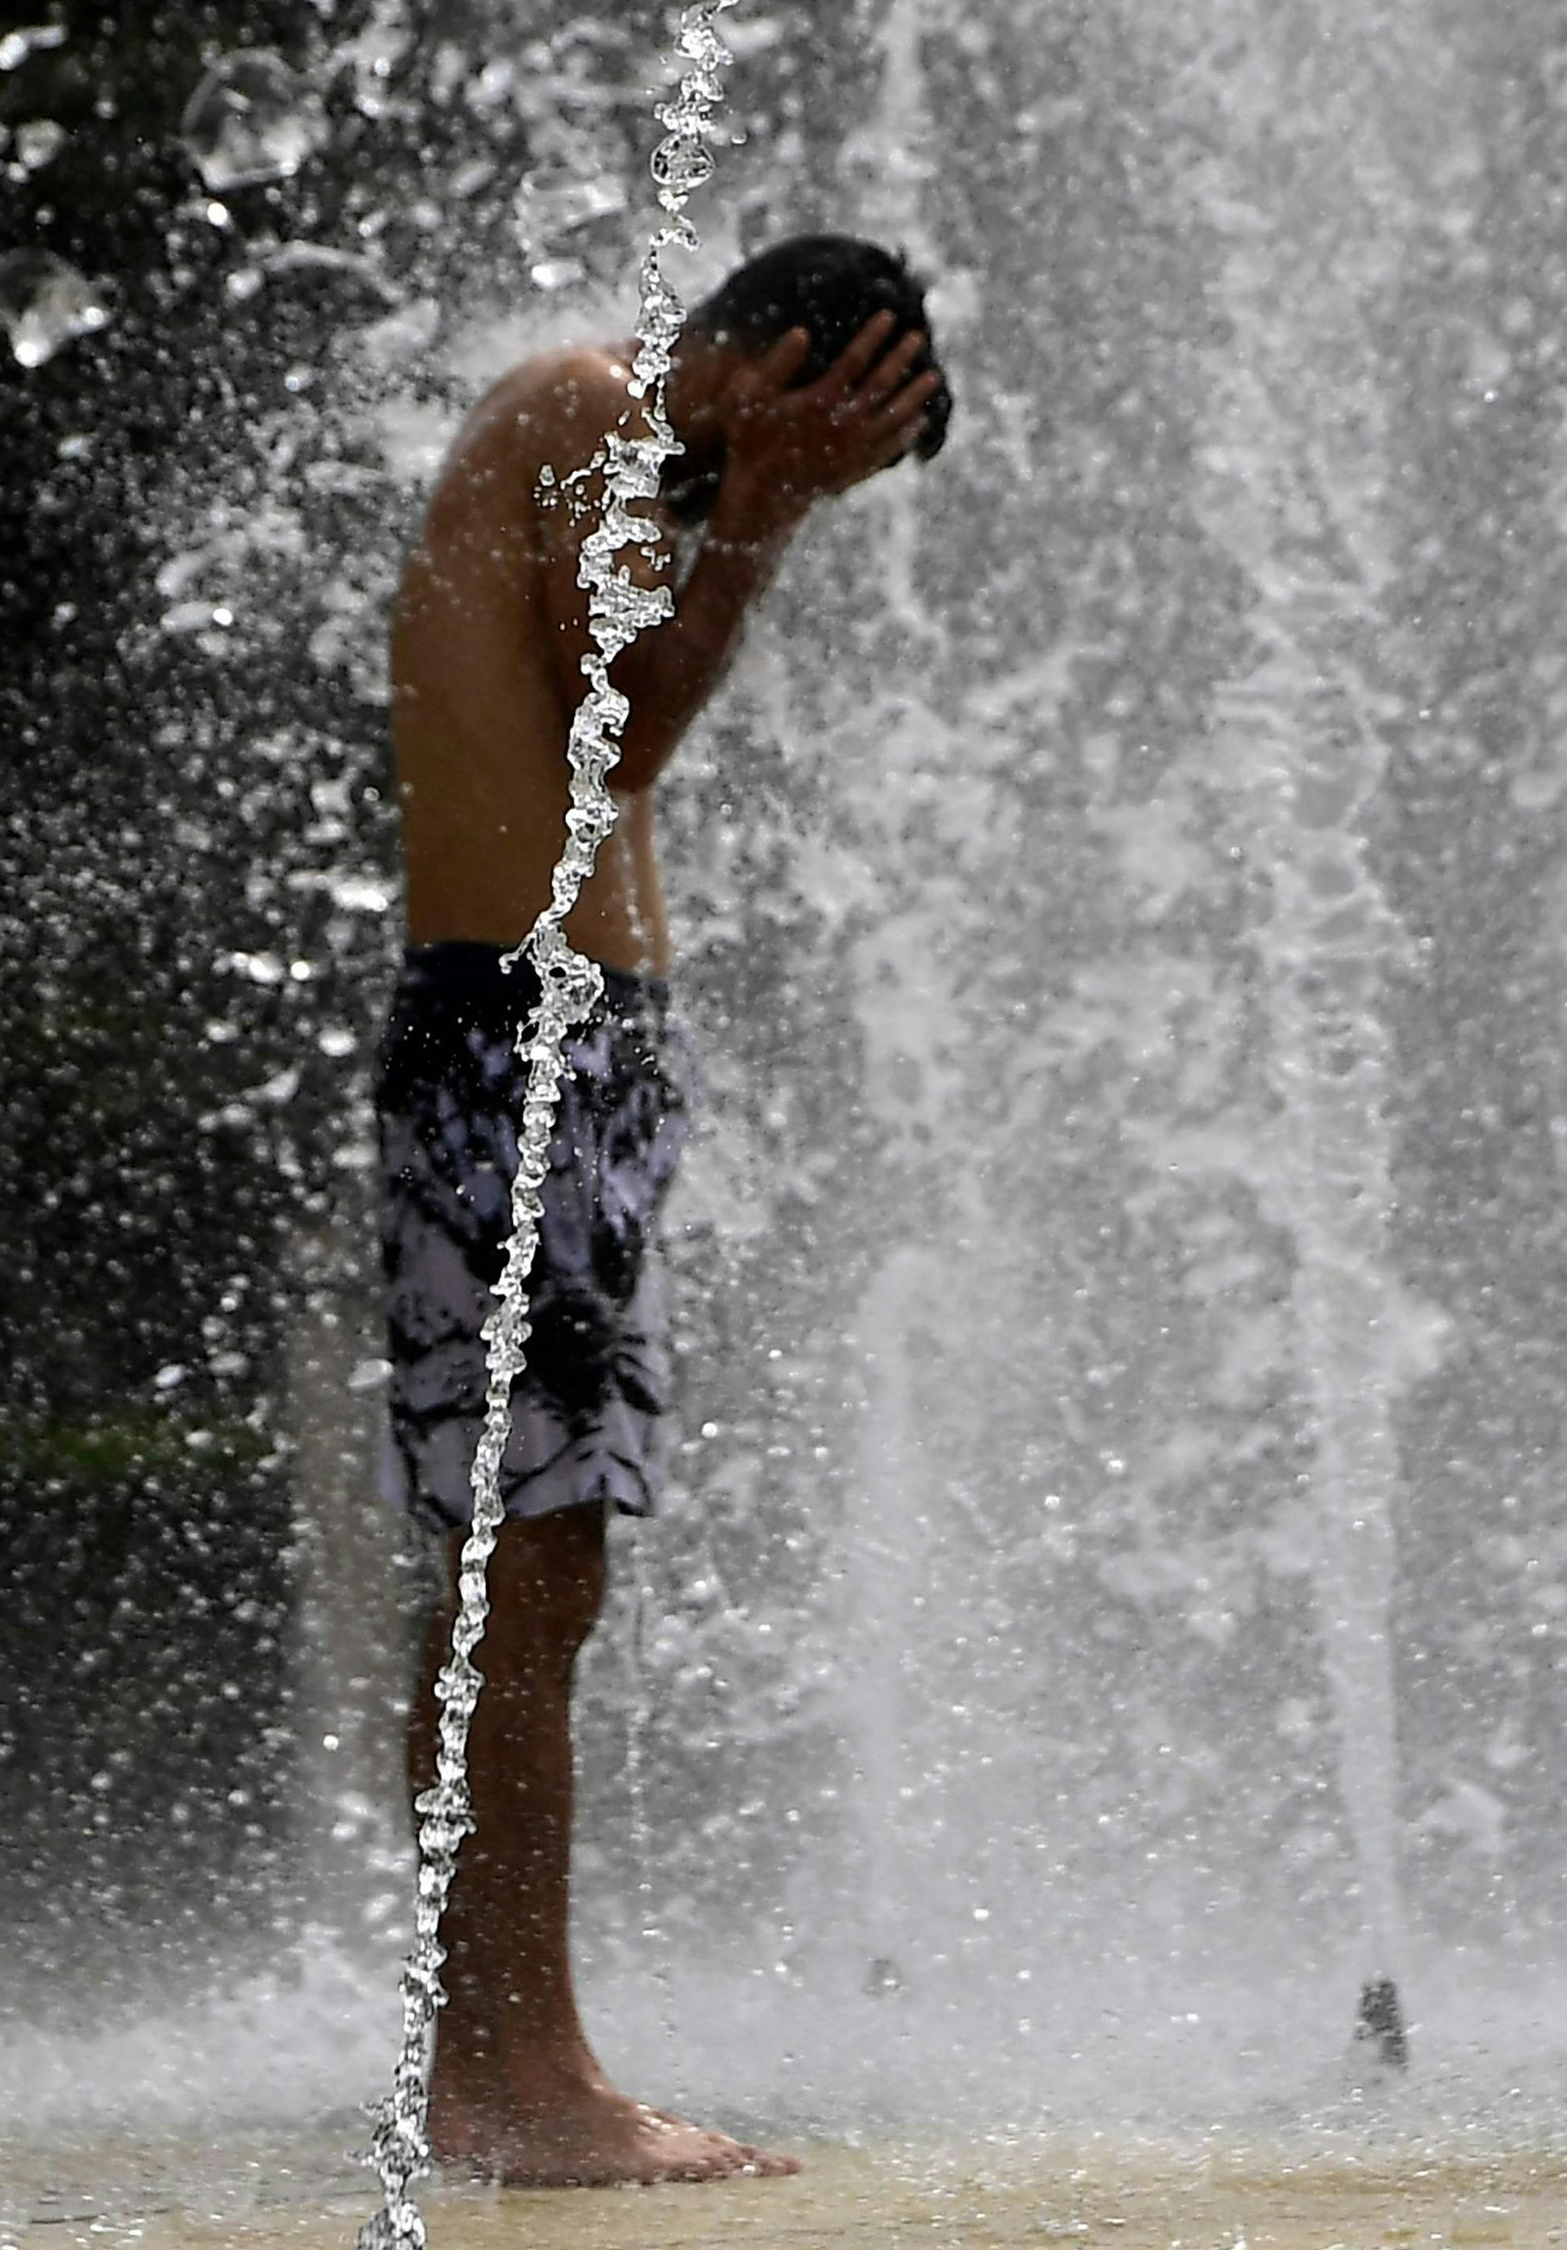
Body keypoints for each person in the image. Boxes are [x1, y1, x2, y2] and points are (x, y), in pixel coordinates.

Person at [377, 234, 945, 2188]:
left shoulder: (615, 436)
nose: (785, 477)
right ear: (780, 358)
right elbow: (627, 731)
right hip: (514, 1038)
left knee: (534, 1572)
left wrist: (761, 505)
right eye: (819, 430)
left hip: (564, 1045)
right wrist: (764, 526)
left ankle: (488, 2075)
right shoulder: (593, 406)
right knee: (516, 1574)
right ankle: (529, 2090)